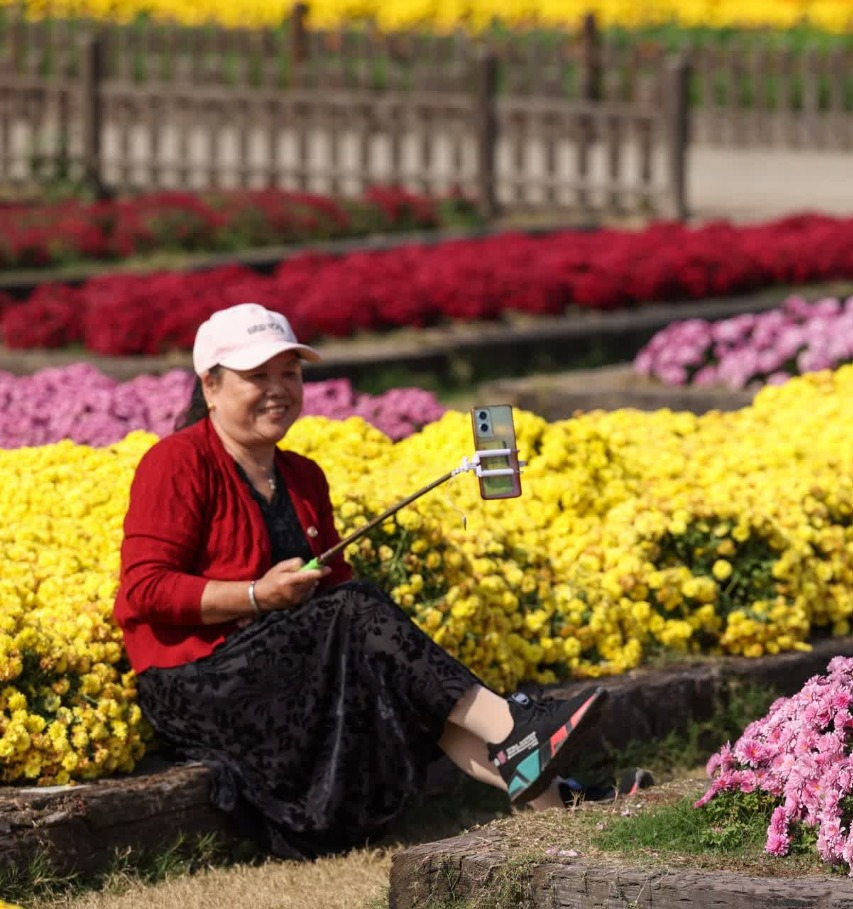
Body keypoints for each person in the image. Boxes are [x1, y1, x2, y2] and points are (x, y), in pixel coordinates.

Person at [114, 302, 608, 860]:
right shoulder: (176, 463)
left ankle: (556, 801)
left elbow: (336, 589)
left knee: (391, 659)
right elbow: (144, 590)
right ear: (210, 386)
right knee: (356, 611)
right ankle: (515, 727)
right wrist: (255, 595)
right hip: (197, 685)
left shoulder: (303, 476)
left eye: (290, 374)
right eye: (257, 376)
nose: (278, 390)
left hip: (277, 669)